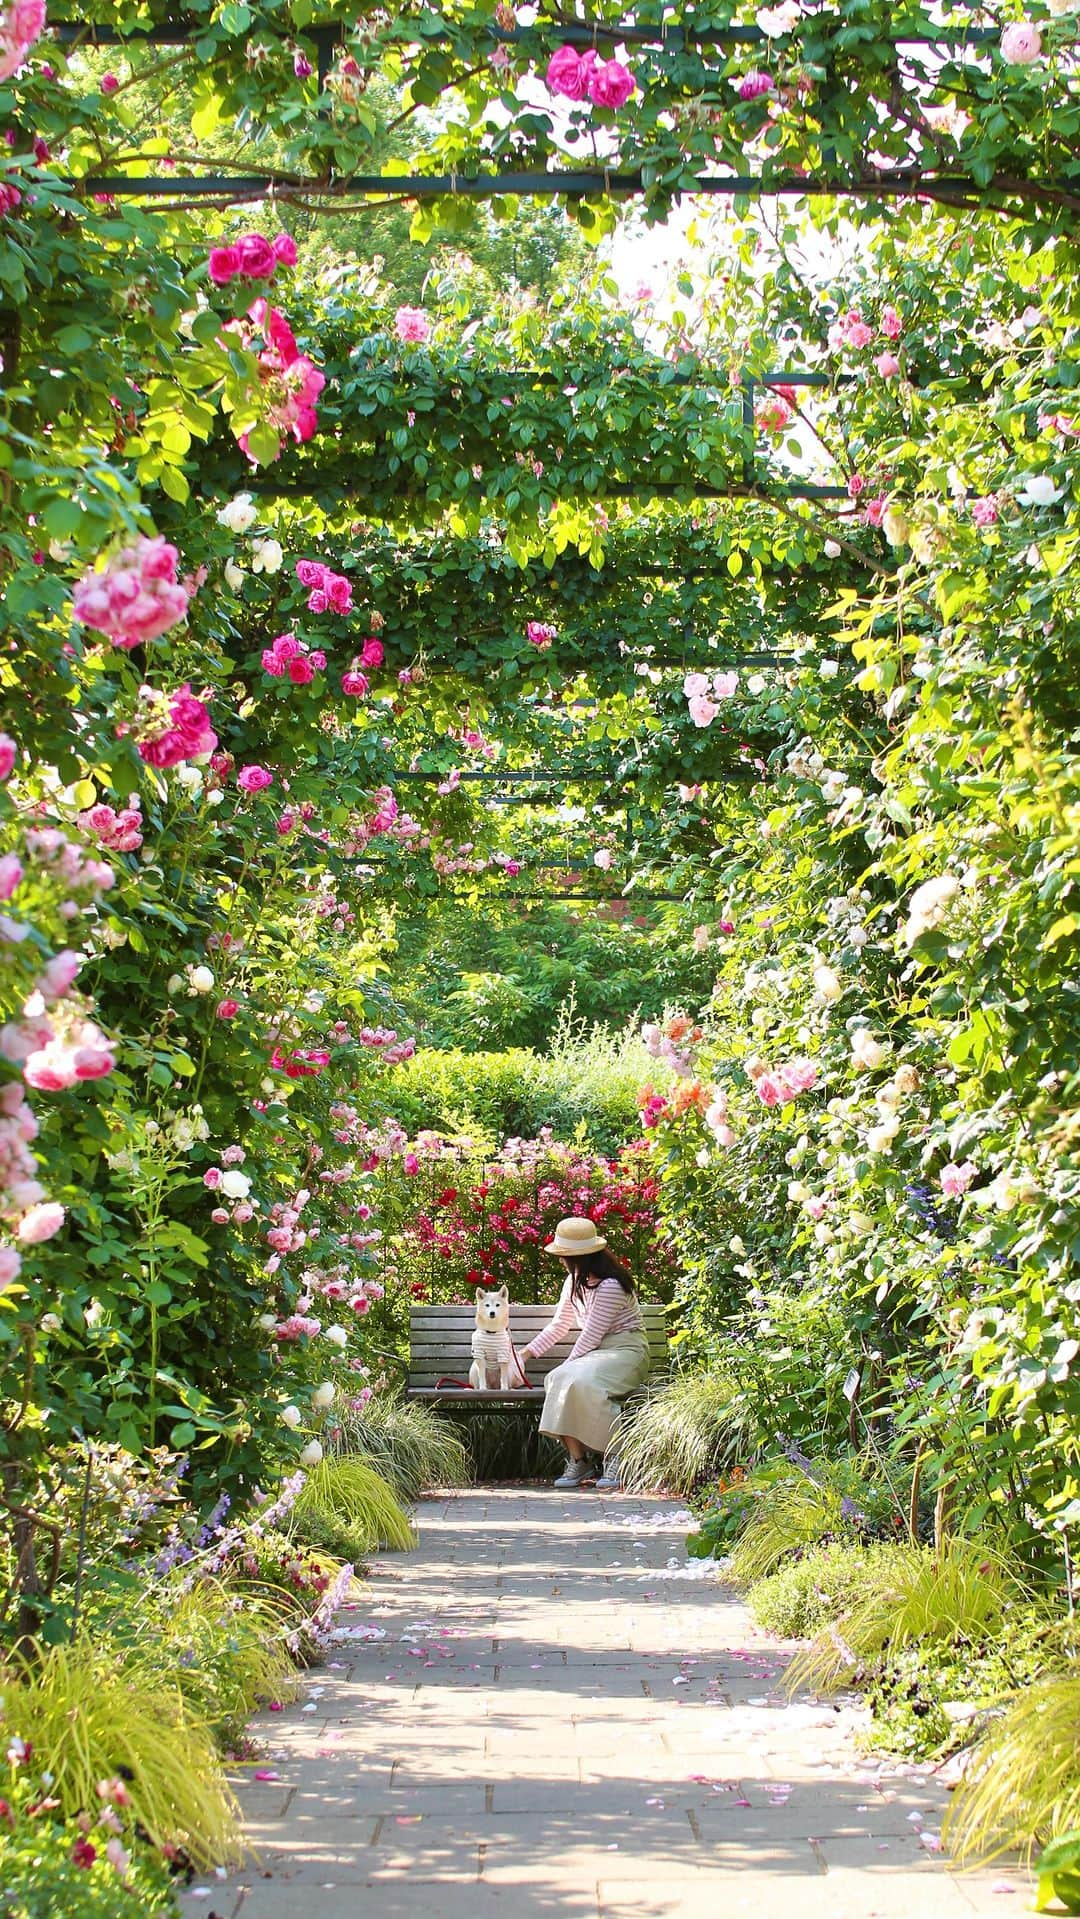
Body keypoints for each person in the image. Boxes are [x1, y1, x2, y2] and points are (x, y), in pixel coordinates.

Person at [518, 1215, 650, 1492]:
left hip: (626, 1351)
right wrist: (526, 1354)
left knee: (581, 1381)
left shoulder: (611, 1286)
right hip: (597, 1355)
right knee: (556, 1379)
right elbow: (559, 1325)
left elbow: (591, 1335)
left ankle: (617, 1455)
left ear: (581, 1256)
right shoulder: (573, 1282)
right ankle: (580, 1460)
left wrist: (568, 1365)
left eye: (564, 1255)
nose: (561, 1260)